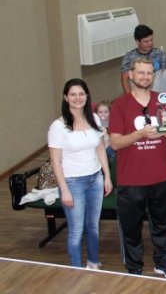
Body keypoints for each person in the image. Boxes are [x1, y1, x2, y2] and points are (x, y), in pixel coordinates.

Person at [109, 57, 166, 278]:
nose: (145, 77)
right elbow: (115, 142)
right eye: (141, 73)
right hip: (131, 179)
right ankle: (133, 266)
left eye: (149, 73)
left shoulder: (163, 100)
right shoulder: (120, 104)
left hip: (161, 175)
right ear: (130, 75)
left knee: (163, 224)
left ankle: (163, 261)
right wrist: (140, 134)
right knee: (131, 227)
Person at [48, 78, 112, 269]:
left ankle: (93, 262)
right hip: (73, 182)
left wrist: (106, 176)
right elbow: (55, 161)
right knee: (76, 230)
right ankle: (76, 270)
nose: (78, 98)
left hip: (95, 179)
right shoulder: (58, 126)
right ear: (66, 98)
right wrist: (64, 190)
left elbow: (100, 149)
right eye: (73, 94)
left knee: (93, 227)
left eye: (81, 94)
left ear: (87, 96)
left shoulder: (94, 118)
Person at [120, 24, 166, 93]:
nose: (150, 43)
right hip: (137, 93)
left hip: (158, 92)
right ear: (137, 41)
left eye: (151, 40)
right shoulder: (129, 57)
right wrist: (129, 98)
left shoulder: (160, 54)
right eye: (146, 41)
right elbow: (124, 80)